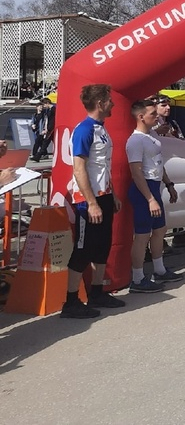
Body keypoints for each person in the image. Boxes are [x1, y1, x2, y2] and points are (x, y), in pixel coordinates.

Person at [61, 84, 126, 319]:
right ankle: (71, 302)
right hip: (86, 200)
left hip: (104, 195)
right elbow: (79, 169)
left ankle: (97, 292)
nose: (113, 103)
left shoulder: (101, 128)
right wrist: (91, 203)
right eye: (109, 100)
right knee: (83, 249)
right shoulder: (84, 130)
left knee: (102, 246)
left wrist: (112, 194)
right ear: (100, 103)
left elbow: (102, 167)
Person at [126, 99, 183, 293]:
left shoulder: (151, 134)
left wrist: (169, 183)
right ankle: (137, 278)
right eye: (152, 114)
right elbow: (136, 172)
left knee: (160, 230)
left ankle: (159, 270)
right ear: (141, 117)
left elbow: (158, 162)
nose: (156, 116)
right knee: (142, 235)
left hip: (155, 184)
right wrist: (150, 199)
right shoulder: (135, 141)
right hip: (143, 188)